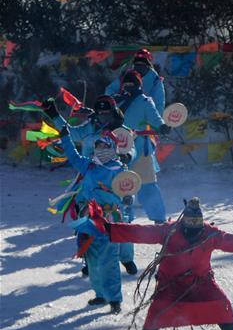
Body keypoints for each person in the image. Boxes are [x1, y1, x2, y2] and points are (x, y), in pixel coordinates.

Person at [107, 198, 233, 330]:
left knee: (221, 303)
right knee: (159, 309)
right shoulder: (168, 231)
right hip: (171, 283)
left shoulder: (210, 233)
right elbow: (141, 232)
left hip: (201, 282)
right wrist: (112, 230)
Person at [45, 95, 139, 275]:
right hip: (88, 175)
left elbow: (131, 147)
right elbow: (69, 136)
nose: (103, 117)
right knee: (87, 225)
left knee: (121, 226)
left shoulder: (121, 132)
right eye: (100, 113)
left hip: (113, 181)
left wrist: (127, 156)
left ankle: (126, 259)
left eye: (107, 113)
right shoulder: (90, 127)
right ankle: (90, 259)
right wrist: (54, 115)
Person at [57, 125, 128, 313]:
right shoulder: (88, 165)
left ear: (113, 149)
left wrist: (128, 198)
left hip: (109, 219)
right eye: (98, 147)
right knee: (92, 259)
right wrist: (65, 135)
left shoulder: (119, 169)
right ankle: (100, 294)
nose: (100, 151)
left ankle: (114, 299)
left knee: (110, 259)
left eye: (105, 147)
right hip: (88, 219)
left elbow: (129, 189)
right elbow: (72, 155)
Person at [114, 70, 171, 224]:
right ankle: (122, 220)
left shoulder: (145, 101)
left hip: (140, 150)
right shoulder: (116, 101)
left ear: (138, 84)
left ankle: (159, 221)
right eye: (126, 84)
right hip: (119, 149)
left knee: (147, 186)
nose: (128, 87)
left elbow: (155, 119)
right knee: (121, 186)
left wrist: (162, 127)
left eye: (131, 83)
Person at [106, 49, 165, 115]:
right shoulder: (156, 79)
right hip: (141, 116)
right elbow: (159, 102)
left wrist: (116, 98)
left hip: (128, 114)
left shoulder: (125, 75)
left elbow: (109, 91)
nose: (139, 65)